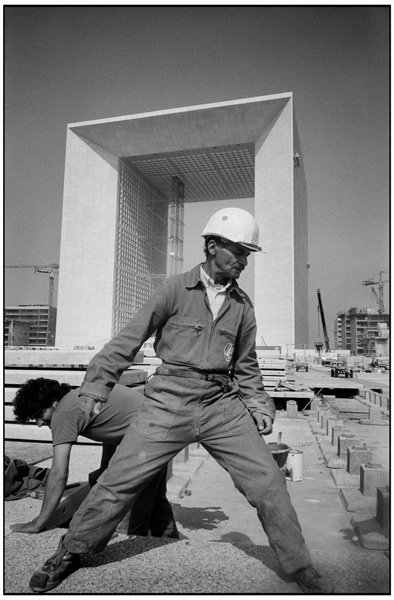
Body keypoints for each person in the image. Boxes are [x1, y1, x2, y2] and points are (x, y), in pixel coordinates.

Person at [29, 207, 334, 594]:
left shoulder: (243, 306)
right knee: (117, 481)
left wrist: (258, 404)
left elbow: (246, 364)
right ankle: (70, 552)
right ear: (211, 246)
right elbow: (127, 341)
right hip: (168, 400)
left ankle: (300, 566)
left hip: (221, 405)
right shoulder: (173, 289)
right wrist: (94, 388)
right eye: (238, 251)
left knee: (269, 481)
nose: (243, 261)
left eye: (247, 255)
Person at [11, 378, 178, 539]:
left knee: (131, 517)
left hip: (146, 442)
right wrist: (104, 466)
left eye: (39, 414)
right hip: (160, 434)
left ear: (53, 402)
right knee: (157, 507)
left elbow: (58, 473)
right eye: (34, 419)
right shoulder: (82, 396)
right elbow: (112, 428)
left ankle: (134, 557)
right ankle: (172, 548)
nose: (39, 423)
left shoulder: (63, 412)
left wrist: (39, 522)